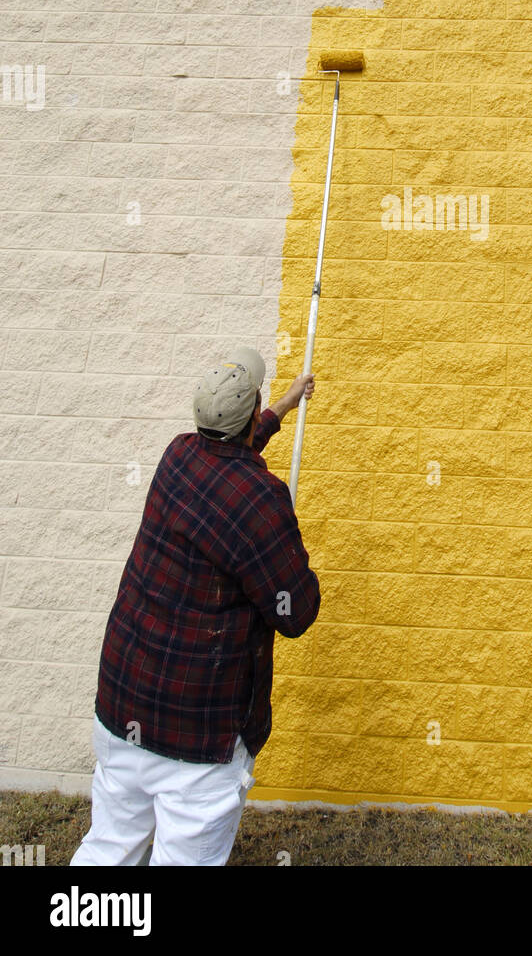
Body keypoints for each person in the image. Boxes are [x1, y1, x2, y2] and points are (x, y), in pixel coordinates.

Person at [70, 346, 320, 867]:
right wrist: (287, 542)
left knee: (109, 848)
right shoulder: (261, 500)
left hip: (123, 711)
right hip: (198, 740)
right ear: (249, 417)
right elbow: (295, 613)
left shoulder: (177, 456)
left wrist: (285, 404)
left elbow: (231, 457)